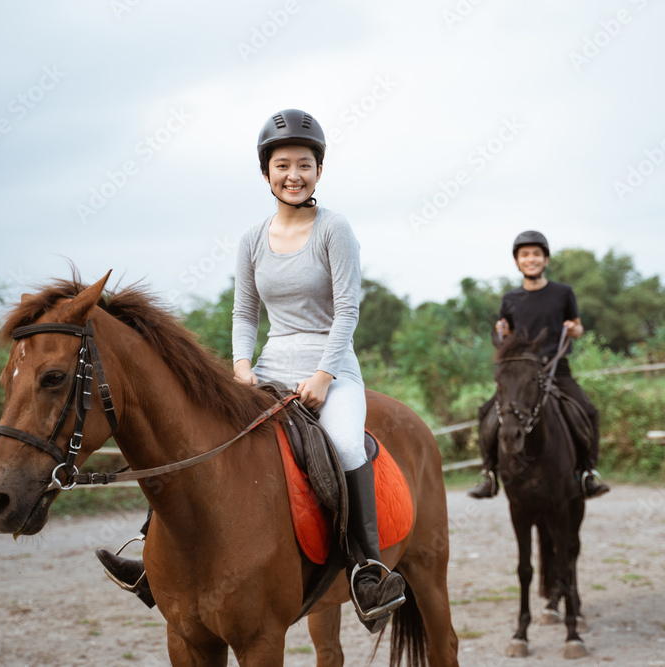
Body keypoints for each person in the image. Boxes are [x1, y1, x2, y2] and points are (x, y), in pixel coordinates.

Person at [95, 109, 405, 632]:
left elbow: (348, 310)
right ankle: (154, 558)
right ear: (267, 174)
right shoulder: (252, 239)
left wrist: (325, 378)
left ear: (319, 171)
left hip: (332, 370)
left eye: (304, 165)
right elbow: (245, 313)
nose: (293, 174)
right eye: (282, 165)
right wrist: (241, 370)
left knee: (348, 445)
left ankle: (367, 567)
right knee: (199, 441)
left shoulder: (335, 229)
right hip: (269, 365)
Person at [468, 230, 610, 500]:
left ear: (545, 259)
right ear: (517, 261)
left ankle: (588, 473)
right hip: (521, 376)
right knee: (486, 411)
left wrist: (572, 328)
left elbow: (578, 327)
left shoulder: (563, 293)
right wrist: (503, 331)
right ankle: (489, 473)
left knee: (588, 411)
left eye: (536, 254)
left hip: (556, 369)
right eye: (525, 255)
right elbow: (506, 335)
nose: (531, 259)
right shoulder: (510, 299)